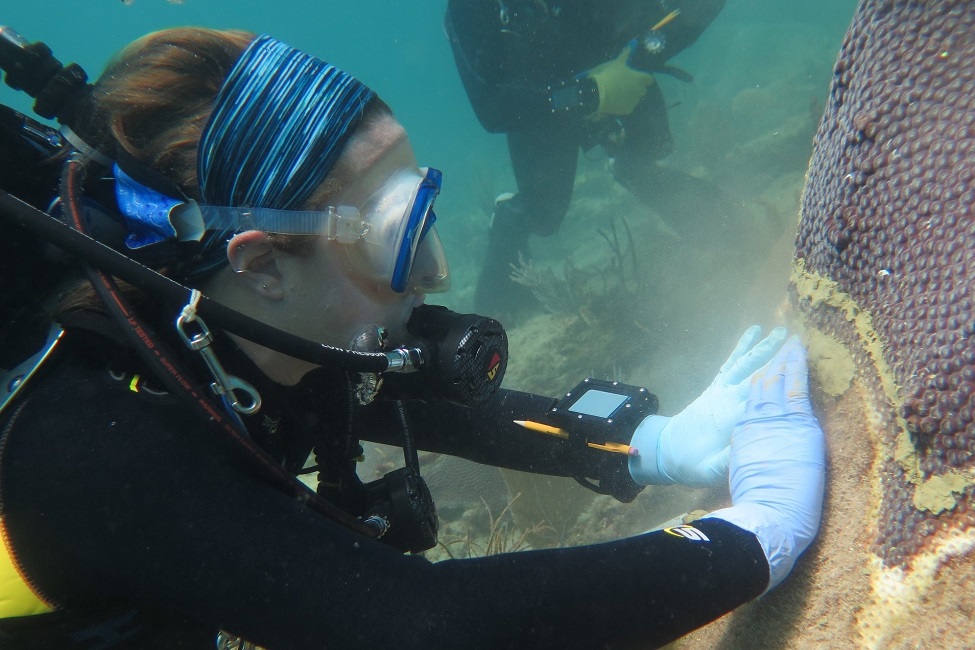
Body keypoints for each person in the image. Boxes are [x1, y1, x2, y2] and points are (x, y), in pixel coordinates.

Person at [0, 27, 825, 649]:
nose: (434, 272)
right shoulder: (98, 450)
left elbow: (402, 397)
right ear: (262, 267)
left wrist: (647, 444)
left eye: (421, 209)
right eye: (394, 233)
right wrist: (749, 539)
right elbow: (422, 626)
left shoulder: (233, 330)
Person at [445, 0, 731, 317]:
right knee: (544, 213)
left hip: (617, 62)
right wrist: (591, 93)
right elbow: (493, 108)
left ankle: (714, 230)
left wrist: (644, 54)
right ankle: (508, 230)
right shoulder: (469, 8)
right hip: (541, 104)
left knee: (651, 147)